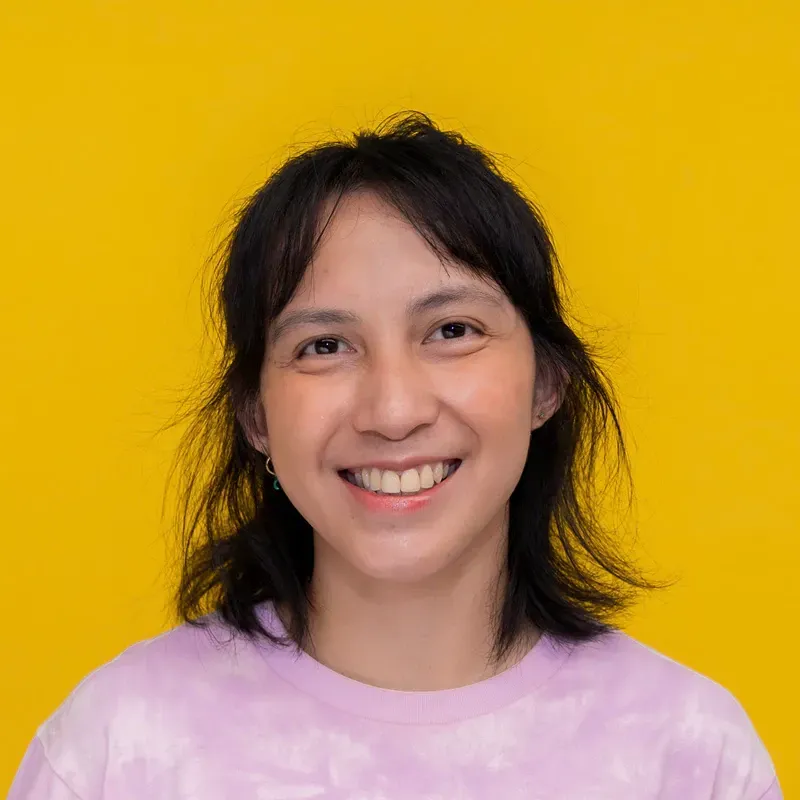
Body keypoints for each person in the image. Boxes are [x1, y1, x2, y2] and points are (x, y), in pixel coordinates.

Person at [9, 112, 781, 799]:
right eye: (325, 345)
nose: (393, 410)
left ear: (547, 382)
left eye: (451, 331)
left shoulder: (689, 757)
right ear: (257, 417)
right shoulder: (120, 751)